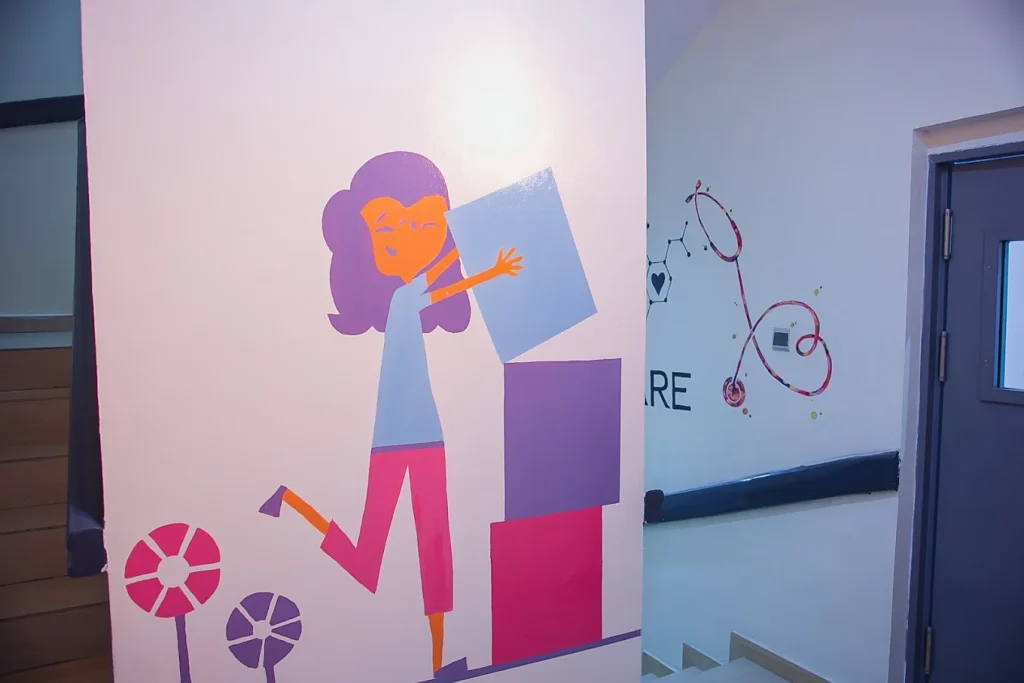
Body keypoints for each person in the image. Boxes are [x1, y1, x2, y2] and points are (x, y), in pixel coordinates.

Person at [259, 151, 522, 678]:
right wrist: (488, 270)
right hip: (390, 443)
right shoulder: (402, 298)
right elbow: (444, 282)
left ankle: (438, 660)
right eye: (388, 228)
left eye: (426, 226)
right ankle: (291, 501)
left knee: (436, 551)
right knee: (367, 563)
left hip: (429, 438)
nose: (411, 241)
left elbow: (443, 277)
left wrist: (483, 265)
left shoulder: (411, 294)